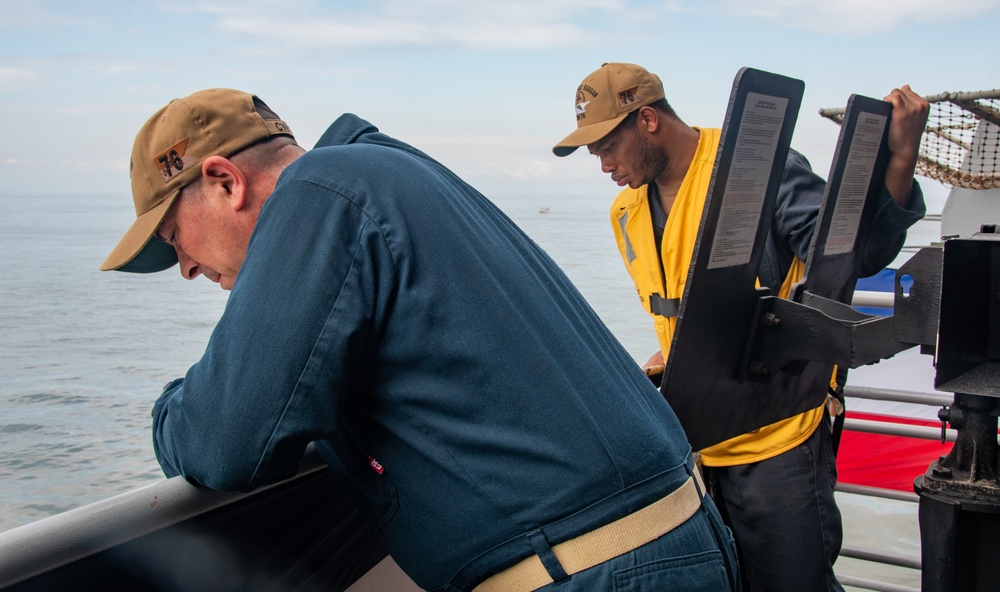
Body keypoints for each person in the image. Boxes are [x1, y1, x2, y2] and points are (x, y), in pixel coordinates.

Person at [100, 88, 742, 592]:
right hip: (662, 540)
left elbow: (224, 439)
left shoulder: (318, 196)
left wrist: (169, 410)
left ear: (223, 180)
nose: (184, 265)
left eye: (171, 236)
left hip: (594, 571)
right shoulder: (389, 176)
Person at [552, 63, 928, 592]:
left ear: (649, 119)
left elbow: (854, 254)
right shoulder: (625, 211)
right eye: (594, 153)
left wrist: (901, 156)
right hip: (696, 442)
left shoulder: (756, 168)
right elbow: (677, 306)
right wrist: (671, 358)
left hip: (778, 434)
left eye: (607, 146)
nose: (604, 164)